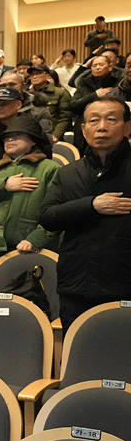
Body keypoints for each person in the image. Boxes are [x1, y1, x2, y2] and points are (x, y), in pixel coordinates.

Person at [39, 99, 131, 328]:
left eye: (111, 119)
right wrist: (91, 206)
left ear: (128, 127)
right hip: (78, 286)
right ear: (83, 129)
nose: (101, 127)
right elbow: (47, 217)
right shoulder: (69, 172)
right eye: (93, 120)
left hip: (124, 282)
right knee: (79, 356)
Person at [0, 115, 61, 268]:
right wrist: (4, 186)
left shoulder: (50, 169)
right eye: (7, 137)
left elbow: (56, 210)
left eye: (17, 136)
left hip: (33, 247)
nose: (10, 140)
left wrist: (35, 239)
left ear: (33, 141)